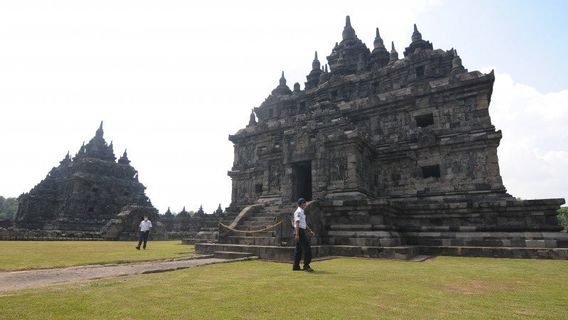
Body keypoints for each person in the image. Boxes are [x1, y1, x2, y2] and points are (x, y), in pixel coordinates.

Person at [292, 198, 316, 272]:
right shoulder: (298, 212)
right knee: (307, 249)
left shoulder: (302, 211)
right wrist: (297, 234)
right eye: (304, 203)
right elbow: (297, 223)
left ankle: (296, 266)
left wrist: (310, 231)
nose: (305, 204)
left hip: (301, 230)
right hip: (299, 231)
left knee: (298, 250)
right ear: (301, 204)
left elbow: (304, 224)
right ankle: (306, 265)